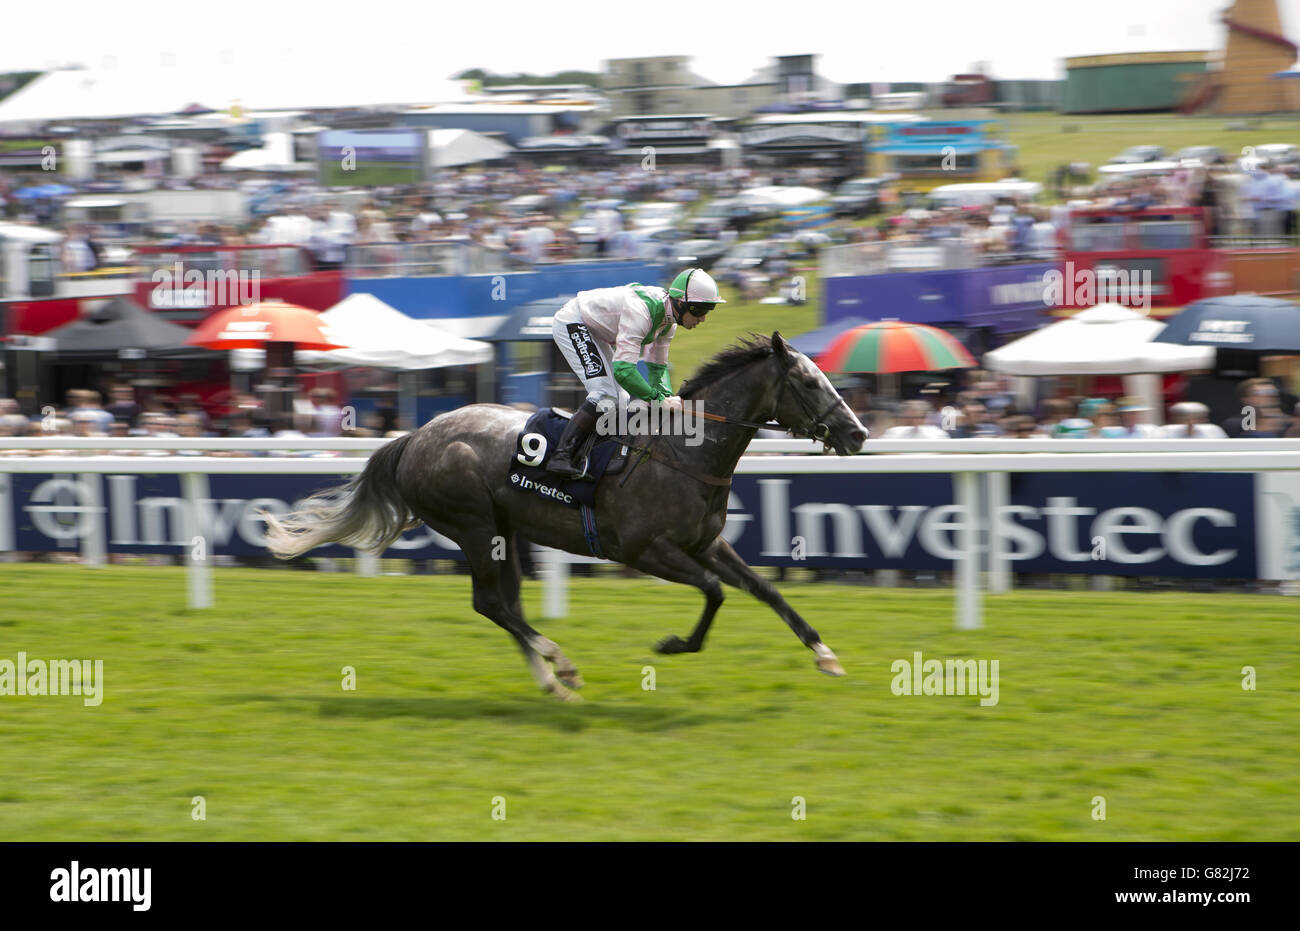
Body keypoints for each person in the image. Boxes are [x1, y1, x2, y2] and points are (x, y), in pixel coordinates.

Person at [545, 267, 724, 479]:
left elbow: (657, 368)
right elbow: (624, 371)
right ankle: (561, 455)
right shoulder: (642, 312)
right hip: (574, 321)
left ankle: (590, 454)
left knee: (621, 398)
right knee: (604, 393)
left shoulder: (669, 323)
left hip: (596, 329)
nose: (703, 319)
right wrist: (657, 399)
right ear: (684, 303)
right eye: (702, 310)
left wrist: (666, 397)